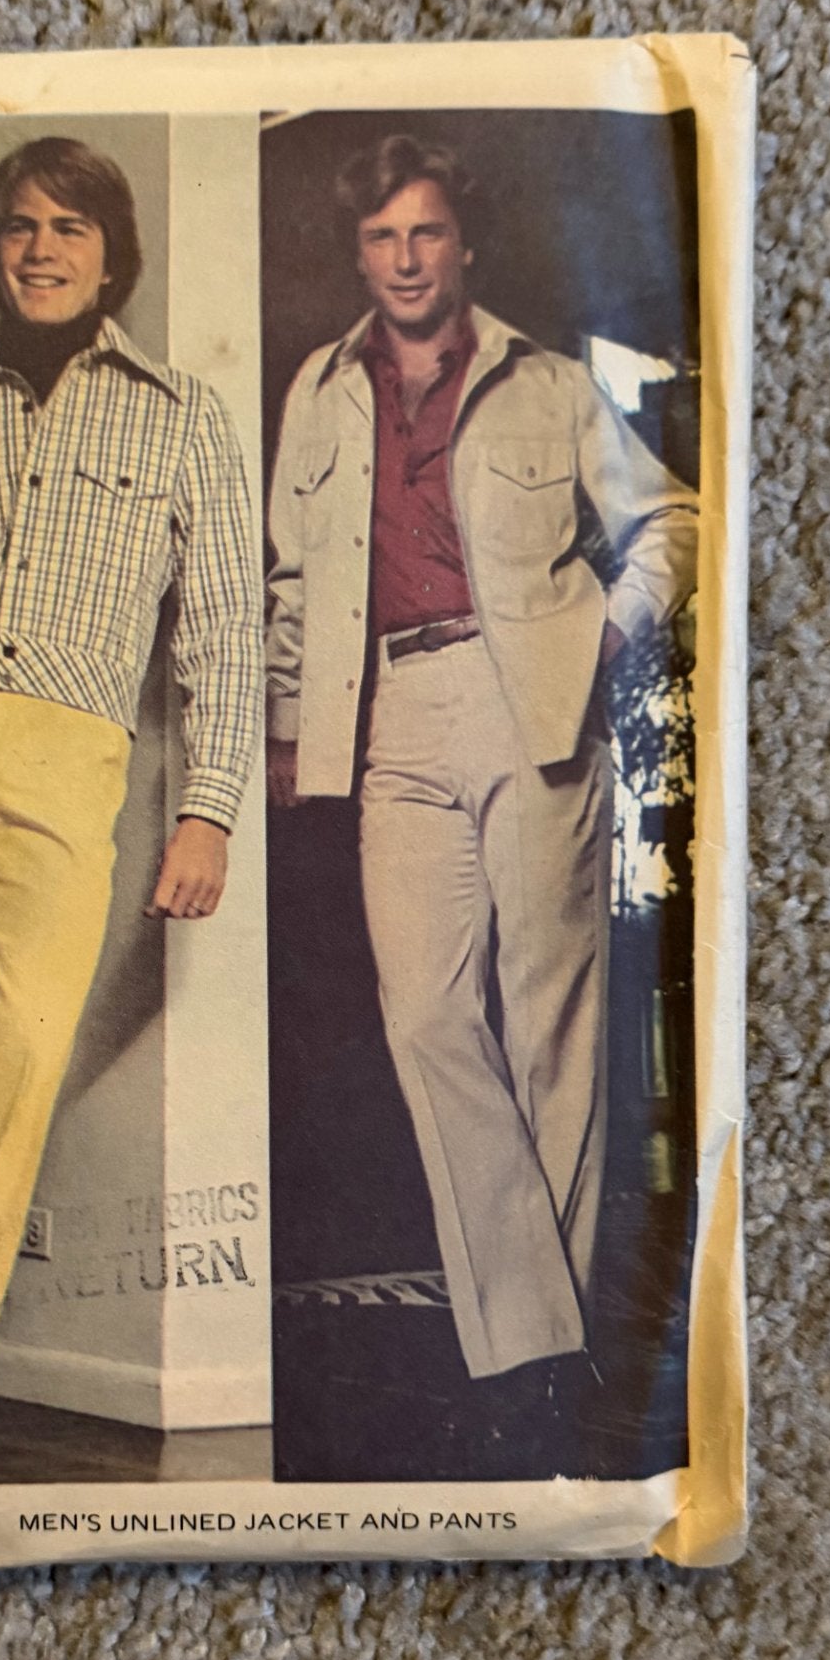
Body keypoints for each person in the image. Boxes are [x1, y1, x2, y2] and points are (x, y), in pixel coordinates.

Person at [0, 136, 261, 1470]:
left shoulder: (182, 416)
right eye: (21, 225)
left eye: (70, 227)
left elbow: (226, 632)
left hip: (70, 748)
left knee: (20, 1048)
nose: (42, 248)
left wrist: (209, 808)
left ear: (111, 256)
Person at [264, 134, 697, 1384]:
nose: (404, 258)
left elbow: (672, 515)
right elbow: (290, 579)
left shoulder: (547, 384)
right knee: (425, 1014)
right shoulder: (317, 390)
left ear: (463, 245)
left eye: (425, 231)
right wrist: (287, 720)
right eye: (381, 237)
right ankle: (539, 1322)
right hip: (388, 711)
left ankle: (530, 1366)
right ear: (358, 254)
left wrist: (609, 631)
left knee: (550, 1014)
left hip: (531, 701)